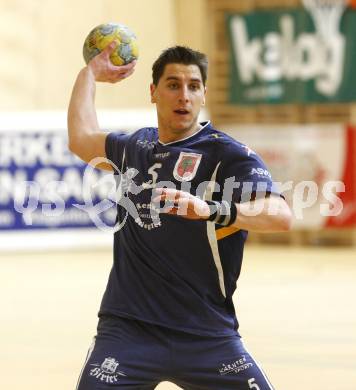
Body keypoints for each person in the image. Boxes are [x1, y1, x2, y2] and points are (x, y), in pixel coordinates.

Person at [68, 43, 292, 390]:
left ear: (203, 94)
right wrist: (89, 75)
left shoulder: (228, 154)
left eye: (193, 86)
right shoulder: (135, 147)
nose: (183, 96)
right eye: (173, 85)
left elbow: (280, 216)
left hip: (207, 335)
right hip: (128, 332)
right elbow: (81, 137)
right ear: (154, 92)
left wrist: (212, 210)